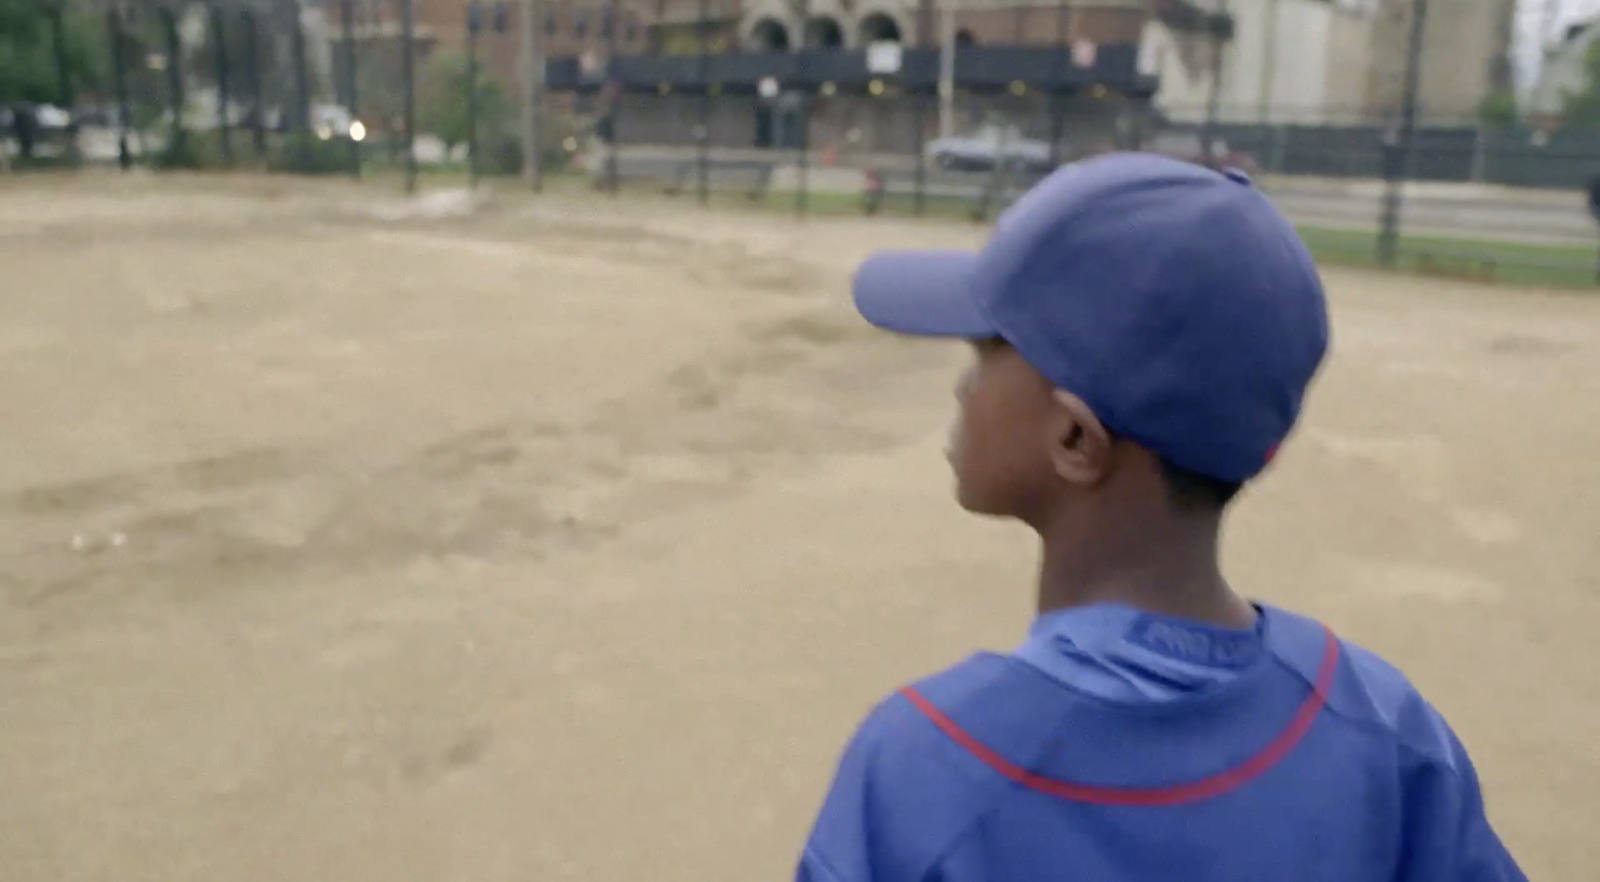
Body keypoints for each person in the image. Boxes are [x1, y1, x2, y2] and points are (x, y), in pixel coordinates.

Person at [795, 153, 1526, 882]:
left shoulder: (923, 770)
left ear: (1076, 439)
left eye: (988, 350)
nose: (964, 386)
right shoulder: (1384, 736)